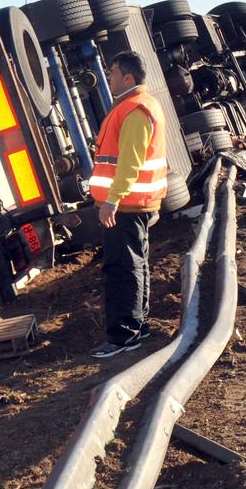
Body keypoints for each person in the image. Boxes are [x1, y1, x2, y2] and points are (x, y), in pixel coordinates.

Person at [90, 51, 168, 359]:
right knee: (136, 265)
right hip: (133, 205)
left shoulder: (134, 111)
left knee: (123, 269)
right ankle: (138, 326)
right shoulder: (137, 106)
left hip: (125, 207)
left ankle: (123, 336)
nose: (108, 77)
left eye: (112, 72)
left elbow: (129, 165)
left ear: (128, 77)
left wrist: (112, 200)